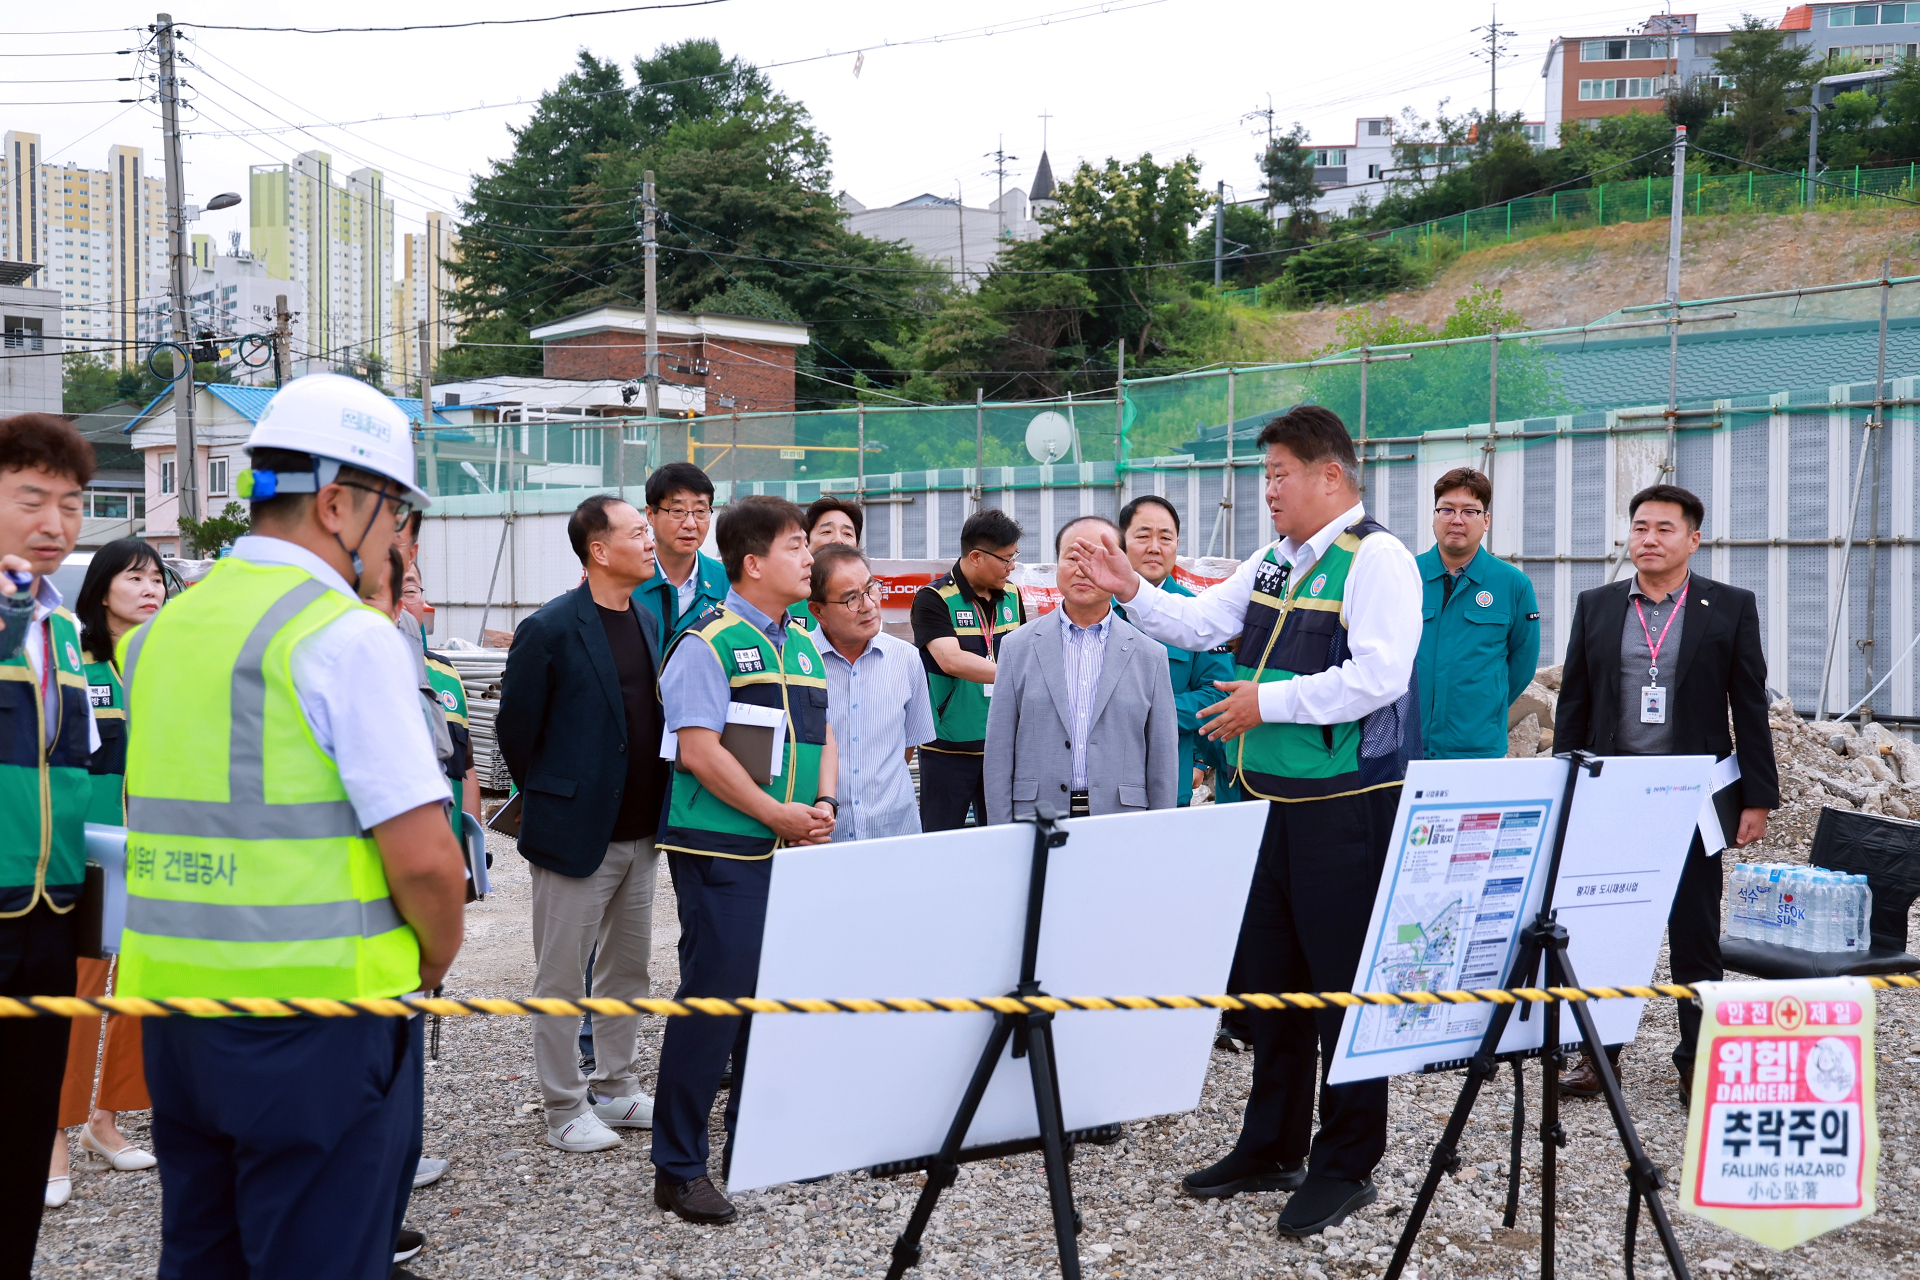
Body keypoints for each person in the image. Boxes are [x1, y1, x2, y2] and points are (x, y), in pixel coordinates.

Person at [117, 373, 466, 1280]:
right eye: (397, 516)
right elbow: (427, 860)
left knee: (203, 1252)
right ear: (340, 501)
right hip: (317, 1025)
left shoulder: (163, 633)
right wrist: (429, 959)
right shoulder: (345, 639)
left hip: (178, 1016)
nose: (400, 540)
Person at [1071, 404, 1422, 1238]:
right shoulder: (1273, 562)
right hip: (1266, 801)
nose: (1266, 490)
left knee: (1343, 987)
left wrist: (1269, 702)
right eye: (1266, 475)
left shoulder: (1378, 559)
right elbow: (1203, 622)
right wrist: (1132, 589)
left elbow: (1382, 674)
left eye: (1278, 475)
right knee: (1271, 983)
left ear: (1328, 475)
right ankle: (1271, 1144)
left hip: (1345, 807)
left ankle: (1346, 1163)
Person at [1553, 483, 1778, 1102]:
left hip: (1692, 798)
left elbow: (1749, 705)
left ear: (1692, 539)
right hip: (1612, 793)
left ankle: (1696, 1057)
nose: (1649, 540)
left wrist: (1757, 797)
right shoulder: (1597, 605)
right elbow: (1574, 702)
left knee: (1695, 929)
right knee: (1606, 928)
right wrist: (1564, 786)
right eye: (1640, 528)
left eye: (1664, 529)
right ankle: (1599, 1057)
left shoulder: (1728, 606)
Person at [652, 495, 838, 1225]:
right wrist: (775, 816)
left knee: (773, 1003)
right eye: (797, 546)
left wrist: (823, 807)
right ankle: (679, 1167)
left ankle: (758, 1145)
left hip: (792, 844)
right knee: (714, 1006)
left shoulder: (799, 640)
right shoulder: (708, 640)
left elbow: (819, 737)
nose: (809, 558)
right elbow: (697, 752)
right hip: (723, 849)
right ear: (753, 562)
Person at [496, 495, 669, 1152]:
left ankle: (617, 1088)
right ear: (599, 549)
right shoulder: (551, 627)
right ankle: (563, 1105)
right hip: (575, 832)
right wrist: (559, 793)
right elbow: (517, 730)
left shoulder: (648, 618)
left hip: (641, 832)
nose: (650, 541)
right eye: (637, 532)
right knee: (562, 975)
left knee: (627, 971)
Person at [0, 413, 99, 1278]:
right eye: (32, 499)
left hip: (49, 914)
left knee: (25, 1132)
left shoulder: (60, 627)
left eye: (70, 504)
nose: (54, 524)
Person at [47, 539, 166, 1209]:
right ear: (100, 589)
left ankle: (107, 1120)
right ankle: (55, 1132)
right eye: (136, 577)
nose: (152, 589)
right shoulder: (76, 663)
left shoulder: (169, 667)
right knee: (81, 993)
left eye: (159, 579)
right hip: (90, 853)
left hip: (157, 851)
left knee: (140, 992)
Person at [986, 517, 1178, 822]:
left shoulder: (1150, 656)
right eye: (1073, 558)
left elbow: (1163, 759)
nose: (1083, 569)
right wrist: (1000, 830)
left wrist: (1157, 834)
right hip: (1036, 819)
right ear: (1056, 565)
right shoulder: (1016, 648)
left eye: (1097, 559)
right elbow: (998, 751)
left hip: (1121, 820)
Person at [1114, 495, 1241, 806]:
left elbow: (1218, 694)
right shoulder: (1099, 609)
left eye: (1165, 537)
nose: (1154, 547)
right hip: (1104, 782)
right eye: (1143, 536)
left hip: (1168, 782)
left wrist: (1149, 710)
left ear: (1176, 544)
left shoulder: (1198, 613)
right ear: (1121, 543)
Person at [807, 542, 934, 841]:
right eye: (851, 599)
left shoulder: (906, 659)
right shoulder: (799, 663)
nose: (868, 605)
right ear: (818, 610)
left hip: (893, 833)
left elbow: (907, 746)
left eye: (871, 589)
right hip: (824, 836)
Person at [1415, 468, 1541, 759]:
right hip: (1407, 743)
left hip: (1476, 747)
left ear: (1486, 521)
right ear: (1434, 516)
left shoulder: (1513, 585)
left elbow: (1522, 663)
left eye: (1469, 511)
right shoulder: (1405, 576)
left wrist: (1485, 706)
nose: (1456, 519)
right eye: (1446, 509)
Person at [912, 509, 1025, 830]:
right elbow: (951, 660)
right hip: (948, 747)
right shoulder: (933, 599)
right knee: (940, 839)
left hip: (1002, 745)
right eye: (1005, 559)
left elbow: (1021, 653)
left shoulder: (1013, 595)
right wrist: (1016, 675)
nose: (1012, 566)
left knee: (1003, 841)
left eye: (1014, 556)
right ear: (976, 557)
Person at [636, 461, 728, 643]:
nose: (690, 524)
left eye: (701, 511)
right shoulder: (626, 582)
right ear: (650, 515)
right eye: (677, 511)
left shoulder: (729, 584)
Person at [788, 496, 864, 633]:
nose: (838, 540)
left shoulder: (867, 602)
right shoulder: (784, 600)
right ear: (806, 543)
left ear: (857, 548)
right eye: (827, 532)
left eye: (847, 534)